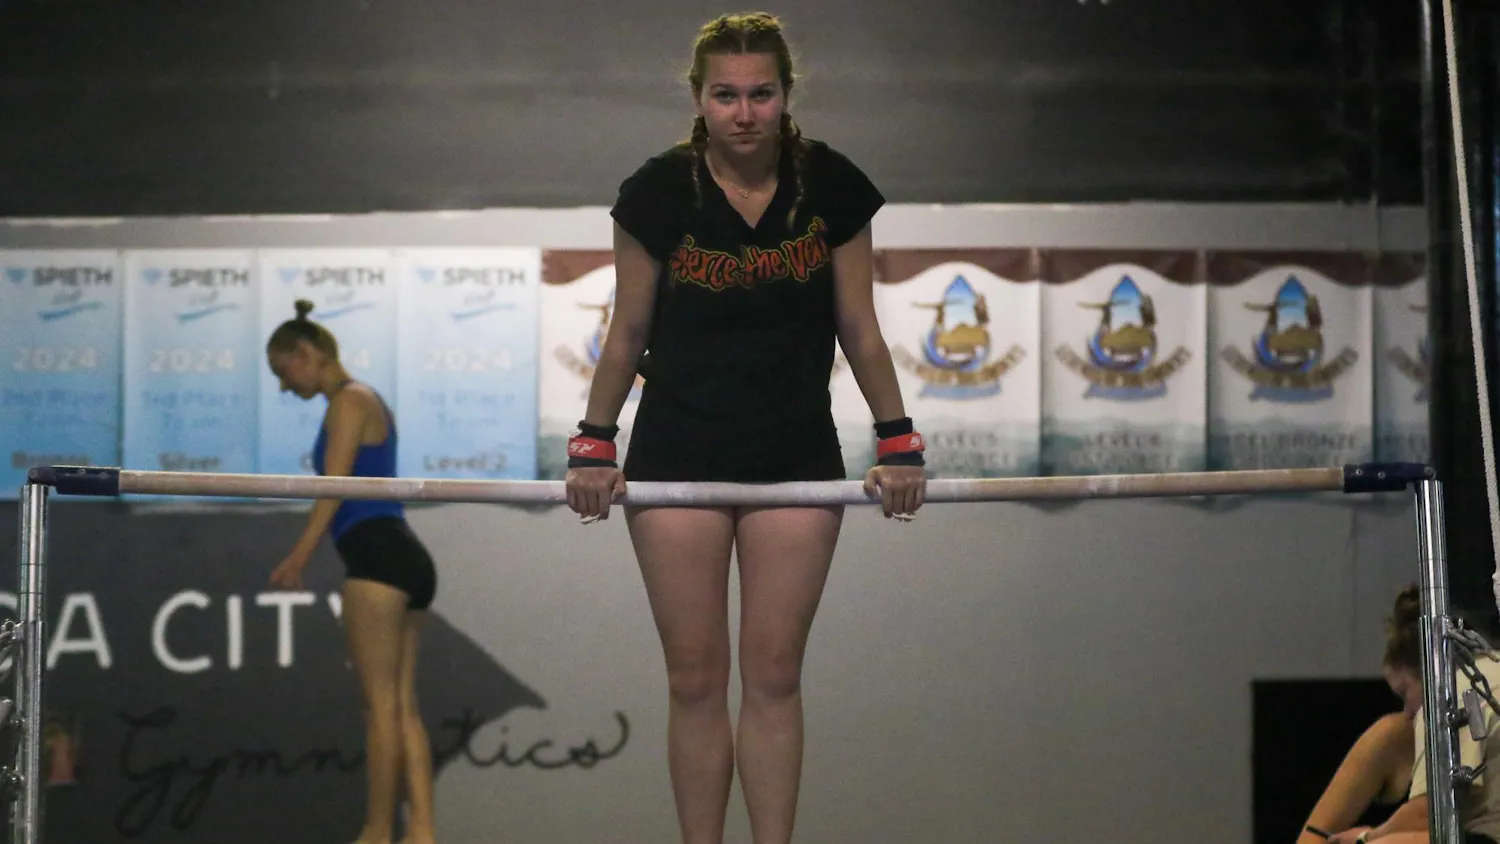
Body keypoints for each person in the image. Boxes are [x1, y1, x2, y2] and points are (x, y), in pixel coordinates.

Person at [564, 11, 927, 844]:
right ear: (698, 98)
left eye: (761, 93)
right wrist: (594, 442)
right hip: (677, 453)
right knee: (694, 677)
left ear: (785, 95)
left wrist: (897, 439)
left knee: (772, 674)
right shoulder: (657, 193)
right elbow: (627, 330)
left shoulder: (830, 188)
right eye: (725, 94)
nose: (744, 112)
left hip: (793, 453)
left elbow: (859, 327)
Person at [266, 299, 439, 844]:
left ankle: (376, 830)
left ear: (306, 353)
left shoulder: (348, 402)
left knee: (379, 707)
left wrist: (298, 557)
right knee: (403, 707)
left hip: (376, 558)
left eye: (282, 371)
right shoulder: (366, 399)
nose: (282, 386)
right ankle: (423, 833)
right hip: (404, 558)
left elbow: (333, 489)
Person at [1322, 586, 1500, 844]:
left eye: (1404, 692)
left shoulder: (1447, 693)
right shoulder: (1491, 668)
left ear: (1425, 670)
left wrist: (1364, 837)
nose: (1407, 712)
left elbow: (1426, 815)